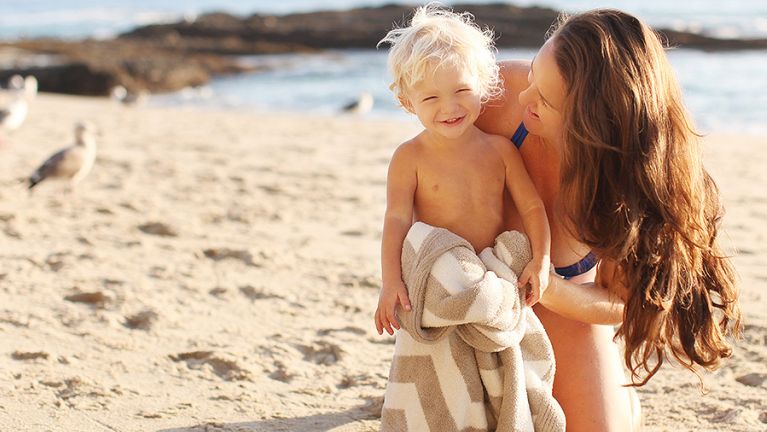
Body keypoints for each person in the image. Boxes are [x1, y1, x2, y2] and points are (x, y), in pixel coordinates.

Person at [474, 9, 742, 431]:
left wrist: (545, 287)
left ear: (591, 126)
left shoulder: (630, 189)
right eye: (532, 78)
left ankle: (620, 394)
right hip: (470, 298)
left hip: (559, 301)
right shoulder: (496, 96)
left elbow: (621, 300)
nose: (526, 98)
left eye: (544, 98)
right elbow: (422, 171)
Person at [374, 4, 552, 337]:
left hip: (491, 273)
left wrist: (541, 261)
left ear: (483, 85)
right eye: (430, 98)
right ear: (407, 103)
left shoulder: (500, 150)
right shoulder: (408, 157)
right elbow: (396, 219)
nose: (449, 107)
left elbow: (532, 206)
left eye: (461, 91)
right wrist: (391, 282)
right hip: (436, 276)